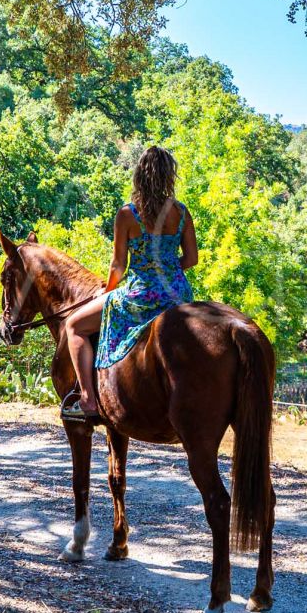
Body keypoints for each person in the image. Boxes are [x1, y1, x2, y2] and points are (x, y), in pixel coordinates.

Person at [61, 146, 198, 421]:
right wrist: (168, 272)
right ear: (169, 175)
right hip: (177, 295)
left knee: (73, 325)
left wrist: (108, 289)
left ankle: (87, 401)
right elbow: (192, 259)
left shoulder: (128, 214)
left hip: (141, 295)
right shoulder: (182, 214)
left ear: (140, 176)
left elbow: (118, 265)